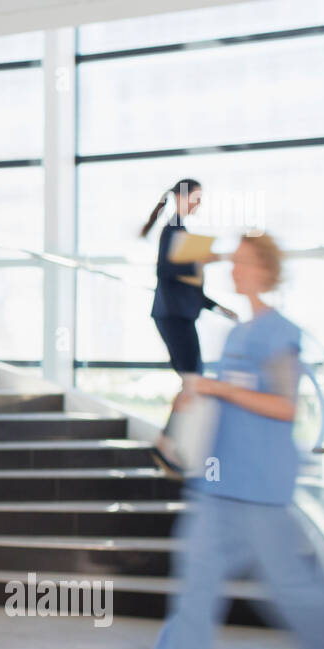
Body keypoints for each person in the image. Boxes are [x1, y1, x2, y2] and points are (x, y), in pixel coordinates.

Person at [127, 232, 324, 649]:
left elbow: (283, 407)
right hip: (218, 486)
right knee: (195, 586)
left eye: (241, 263)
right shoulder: (237, 333)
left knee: (296, 595)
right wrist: (195, 396)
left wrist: (218, 388)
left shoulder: (281, 333)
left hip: (261, 490)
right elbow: (227, 396)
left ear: (264, 269)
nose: (233, 270)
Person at [141, 178, 233, 472]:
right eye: (196, 198)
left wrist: (218, 307)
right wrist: (202, 260)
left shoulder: (181, 232)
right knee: (193, 380)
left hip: (179, 313)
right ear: (182, 198)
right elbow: (166, 271)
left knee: (192, 380)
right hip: (173, 315)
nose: (199, 204)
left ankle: (168, 444)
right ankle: (167, 445)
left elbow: (190, 287)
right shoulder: (173, 230)